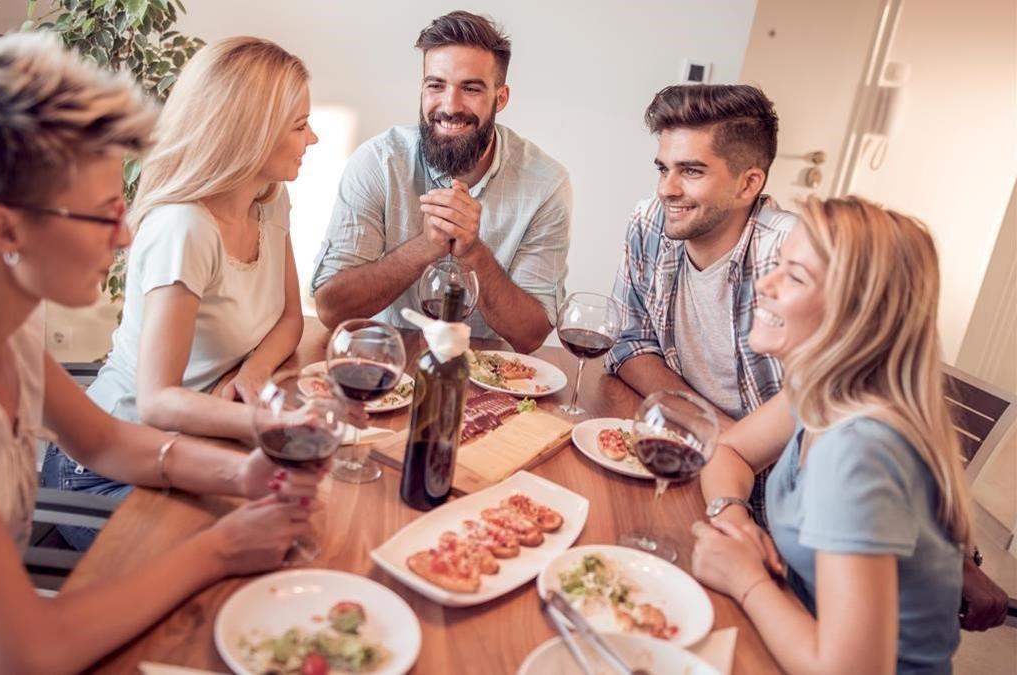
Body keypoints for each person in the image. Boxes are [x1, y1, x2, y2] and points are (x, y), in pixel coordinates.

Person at [0, 32, 319, 674]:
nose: (125, 234)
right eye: (103, 214)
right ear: (4, 228)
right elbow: (22, 655)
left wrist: (242, 476)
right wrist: (218, 549)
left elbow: (106, 441)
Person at [41, 37, 320, 549]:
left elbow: (289, 319)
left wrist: (251, 374)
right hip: (105, 468)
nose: (314, 138)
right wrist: (266, 421)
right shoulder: (185, 230)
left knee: (302, 526)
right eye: (300, 126)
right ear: (249, 135)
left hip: (195, 442)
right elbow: (157, 402)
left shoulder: (269, 199)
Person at [691, 196, 974, 673]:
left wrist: (746, 580)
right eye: (777, 265)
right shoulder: (821, 389)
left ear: (857, 314)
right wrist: (733, 513)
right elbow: (730, 451)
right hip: (793, 629)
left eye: (795, 276)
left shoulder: (859, 450)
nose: (765, 284)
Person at [311, 10, 572, 353]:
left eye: (471, 88)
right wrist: (427, 245)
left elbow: (530, 336)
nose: (450, 106)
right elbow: (331, 310)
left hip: (489, 377)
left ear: (501, 97)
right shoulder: (378, 162)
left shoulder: (546, 185)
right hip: (387, 366)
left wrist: (473, 252)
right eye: (436, 85)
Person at [605, 84, 796, 524]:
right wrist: (710, 429)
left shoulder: (792, 256)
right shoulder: (650, 222)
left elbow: (826, 412)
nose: (666, 189)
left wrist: (732, 445)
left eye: (690, 171)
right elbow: (628, 342)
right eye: (663, 169)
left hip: (777, 498)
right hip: (697, 454)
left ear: (749, 183)